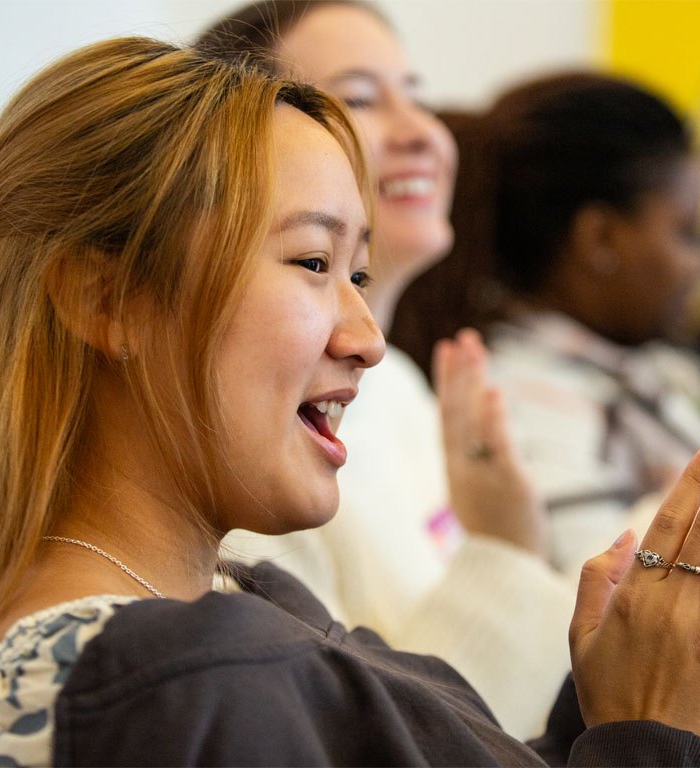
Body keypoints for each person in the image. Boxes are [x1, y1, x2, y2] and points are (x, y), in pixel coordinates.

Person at [0, 36, 700, 768]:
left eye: (360, 273)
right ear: (108, 298)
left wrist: (625, 698)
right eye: (312, 262)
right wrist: (658, 734)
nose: (367, 337)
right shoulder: (157, 683)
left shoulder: (231, 616)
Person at [388, 73, 700, 765]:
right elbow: (625, 640)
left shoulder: (656, 368)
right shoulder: (524, 399)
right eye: (687, 231)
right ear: (600, 238)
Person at [197, 0, 569, 739]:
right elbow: (354, 738)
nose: (425, 133)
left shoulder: (398, 382)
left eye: (418, 95)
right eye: (362, 97)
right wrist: (505, 553)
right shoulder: (244, 435)